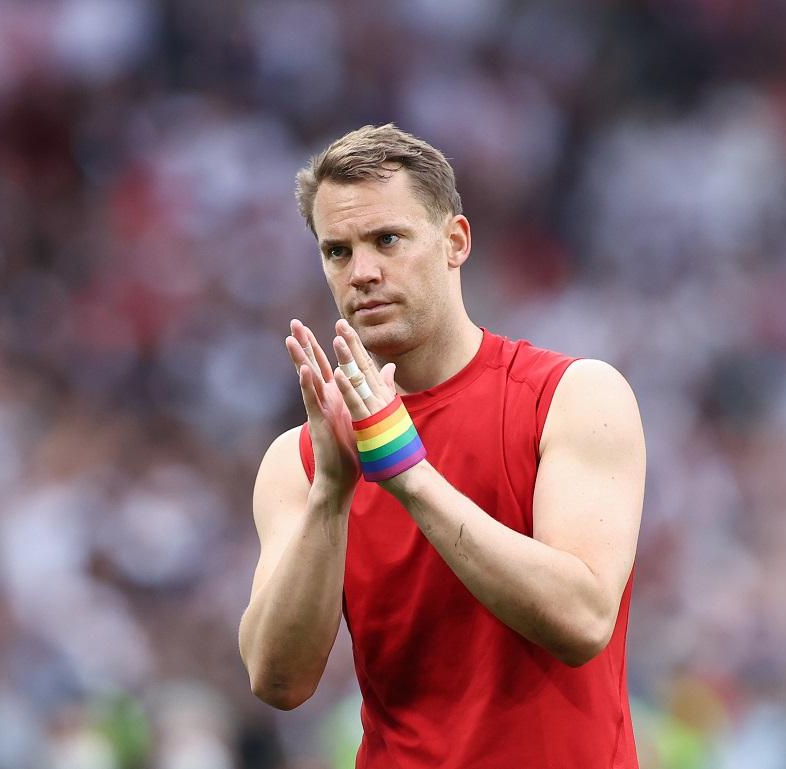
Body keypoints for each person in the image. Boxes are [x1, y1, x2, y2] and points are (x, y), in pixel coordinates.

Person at [238, 124, 645, 768]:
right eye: (337, 252)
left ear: (455, 241)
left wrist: (405, 470)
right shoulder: (303, 462)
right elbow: (278, 681)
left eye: (387, 240)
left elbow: (583, 619)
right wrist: (330, 496)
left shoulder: (572, 397)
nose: (363, 273)